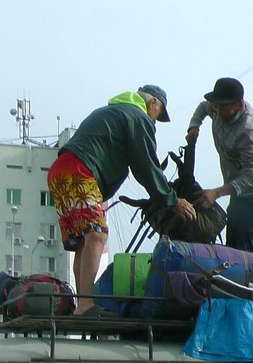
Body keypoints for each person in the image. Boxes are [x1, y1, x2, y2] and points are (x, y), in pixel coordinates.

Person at [48, 85, 196, 316]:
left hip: (60, 172)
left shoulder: (113, 112)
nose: (155, 121)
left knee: (83, 242)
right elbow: (145, 165)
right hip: (80, 171)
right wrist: (172, 200)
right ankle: (86, 305)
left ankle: (81, 304)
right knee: (97, 235)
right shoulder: (137, 117)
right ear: (153, 104)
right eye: (158, 115)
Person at [185, 77, 253, 255]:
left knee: (247, 253)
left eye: (223, 107)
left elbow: (252, 176)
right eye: (216, 105)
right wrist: (194, 127)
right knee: (232, 248)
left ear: (239, 105)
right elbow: (203, 107)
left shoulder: (250, 132)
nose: (217, 111)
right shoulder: (216, 107)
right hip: (237, 188)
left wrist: (216, 193)